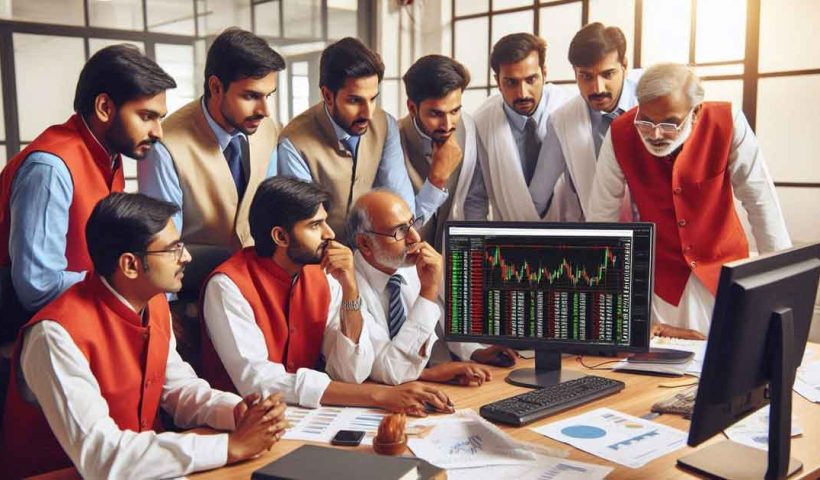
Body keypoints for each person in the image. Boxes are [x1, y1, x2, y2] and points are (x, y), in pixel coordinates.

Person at [1, 193, 288, 479]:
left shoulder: (153, 303)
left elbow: (178, 390)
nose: (186, 257)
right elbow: (102, 456)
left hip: (142, 470)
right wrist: (230, 446)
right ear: (130, 265)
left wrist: (237, 412)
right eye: (173, 249)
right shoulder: (54, 335)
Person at [201, 177, 454, 416]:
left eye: (325, 222)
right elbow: (257, 381)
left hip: (307, 417)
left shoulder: (322, 276)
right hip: (238, 424)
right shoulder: (227, 285)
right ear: (281, 236)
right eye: (315, 225)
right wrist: (378, 395)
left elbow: (350, 372)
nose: (330, 234)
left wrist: (350, 288)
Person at [588, 63, 792, 337]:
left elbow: (761, 202)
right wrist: (602, 302)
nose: (656, 133)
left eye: (670, 123)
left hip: (725, 274)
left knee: (727, 363)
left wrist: (781, 288)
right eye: (646, 121)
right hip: (662, 281)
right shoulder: (620, 133)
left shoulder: (726, 121)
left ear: (695, 111)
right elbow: (601, 221)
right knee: (664, 371)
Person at [0, 45, 175, 340]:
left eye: (160, 118)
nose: (158, 131)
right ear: (105, 107)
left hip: (81, 320)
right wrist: (129, 282)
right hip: (33, 336)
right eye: (146, 116)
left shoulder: (111, 153)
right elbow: (38, 286)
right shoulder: (51, 168)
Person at [278, 37, 452, 236]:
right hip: (318, 262)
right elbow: (306, 230)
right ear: (327, 95)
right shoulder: (293, 143)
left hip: (371, 259)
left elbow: (405, 215)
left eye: (373, 99)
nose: (368, 113)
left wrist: (437, 181)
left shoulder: (384, 124)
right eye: (355, 101)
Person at [348, 190, 519, 386]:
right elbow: (388, 369)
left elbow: (437, 318)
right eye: (400, 231)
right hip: (389, 395)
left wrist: (474, 351)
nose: (414, 237)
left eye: (413, 224)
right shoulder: (346, 288)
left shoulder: (407, 265)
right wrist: (428, 292)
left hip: (428, 384)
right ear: (365, 244)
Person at [138, 27, 284, 250]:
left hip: (253, 275)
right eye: (251, 96)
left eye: (269, 95)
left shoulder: (266, 128)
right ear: (216, 87)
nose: (265, 111)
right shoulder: (164, 147)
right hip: (191, 279)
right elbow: (162, 248)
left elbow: (271, 209)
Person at [531, 23, 640, 221]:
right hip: (598, 235)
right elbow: (538, 197)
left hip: (658, 235)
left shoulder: (650, 103)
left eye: (607, 74)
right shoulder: (562, 121)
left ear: (624, 65)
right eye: (586, 76)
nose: (597, 88)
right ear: (574, 72)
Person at [472, 33, 573, 221]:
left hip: (567, 234)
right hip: (508, 239)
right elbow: (476, 199)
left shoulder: (569, 109)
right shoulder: (481, 123)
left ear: (544, 73)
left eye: (531, 79)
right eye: (511, 82)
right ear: (498, 81)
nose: (522, 93)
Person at [399, 55, 486, 250]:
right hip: (405, 263)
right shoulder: (393, 143)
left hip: (451, 261)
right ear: (412, 108)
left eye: (455, 111)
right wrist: (436, 179)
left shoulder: (468, 129)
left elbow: (474, 199)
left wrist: (475, 253)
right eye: (435, 114)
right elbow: (397, 229)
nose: (448, 125)